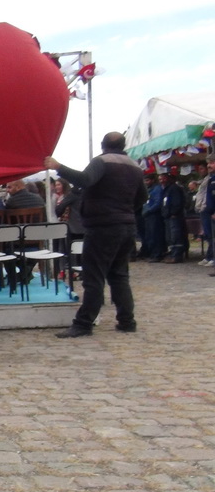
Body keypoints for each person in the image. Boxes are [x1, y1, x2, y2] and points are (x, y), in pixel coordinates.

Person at [44, 131, 148, 338]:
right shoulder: (135, 166)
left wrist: (58, 167)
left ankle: (84, 324)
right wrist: (125, 211)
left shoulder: (102, 161)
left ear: (103, 145)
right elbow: (143, 197)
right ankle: (127, 321)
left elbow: (85, 179)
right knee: (119, 275)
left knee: (94, 276)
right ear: (123, 145)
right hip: (126, 226)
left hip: (102, 226)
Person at [159, 171, 187, 263]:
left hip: (174, 217)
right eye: (160, 179)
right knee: (169, 237)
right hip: (167, 216)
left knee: (176, 236)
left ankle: (177, 255)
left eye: (163, 178)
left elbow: (177, 202)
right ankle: (172, 254)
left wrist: (173, 213)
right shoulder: (166, 189)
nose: (161, 181)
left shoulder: (174, 188)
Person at [140, 174, 165, 262]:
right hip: (147, 215)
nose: (146, 182)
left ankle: (157, 254)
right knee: (149, 235)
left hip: (154, 215)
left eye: (147, 180)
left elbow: (158, 202)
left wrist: (149, 210)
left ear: (152, 180)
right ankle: (152, 253)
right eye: (145, 180)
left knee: (155, 235)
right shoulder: (148, 189)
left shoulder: (157, 189)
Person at [198, 154, 215, 267]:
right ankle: (210, 256)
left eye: (212, 163)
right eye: (208, 163)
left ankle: (213, 257)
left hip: (212, 212)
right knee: (209, 235)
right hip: (206, 210)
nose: (209, 165)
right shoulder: (210, 178)